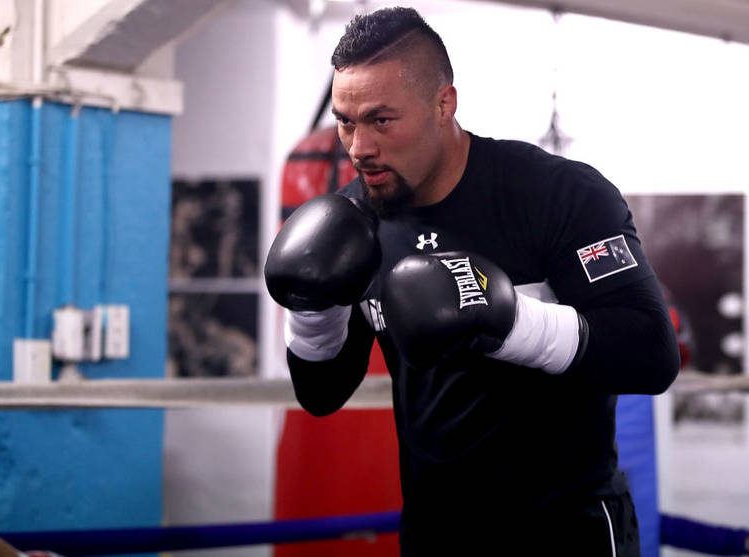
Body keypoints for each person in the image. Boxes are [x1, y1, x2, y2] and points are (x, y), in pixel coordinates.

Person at [265, 7, 679, 555]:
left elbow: (651, 354)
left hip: (566, 529)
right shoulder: (354, 223)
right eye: (346, 122)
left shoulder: (557, 196)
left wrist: (509, 320)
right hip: (436, 532)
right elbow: (321, 394)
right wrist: (312, 314)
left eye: (381, 120)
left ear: (444, 104)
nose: (359, 147)